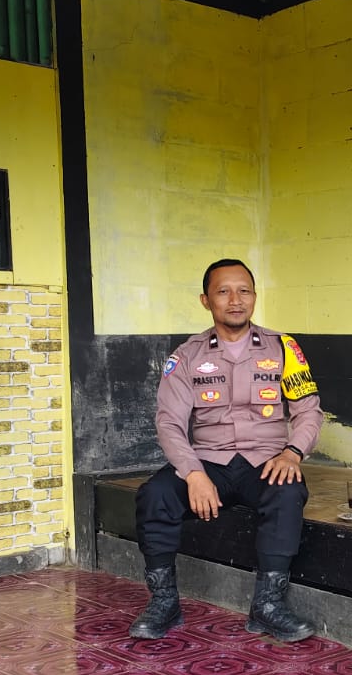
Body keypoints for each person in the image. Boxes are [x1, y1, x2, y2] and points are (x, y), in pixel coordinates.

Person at [128, 259, 323, 643]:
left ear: (255, 296)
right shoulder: (187, 355)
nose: (236, 300)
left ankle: (267, 606)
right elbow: (169, 422)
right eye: (223, 291)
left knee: (288, 491)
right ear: (206, 300)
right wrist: (193, 473)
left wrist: (292, 453)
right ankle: (164, 603)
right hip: (209, 462)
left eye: (244, 291)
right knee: (155, 495)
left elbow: (308, 410)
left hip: (266, 461)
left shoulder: (283, 348)